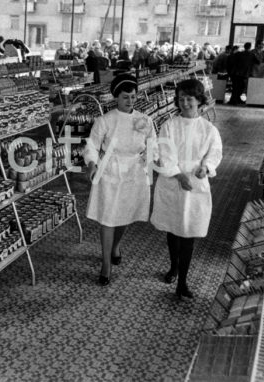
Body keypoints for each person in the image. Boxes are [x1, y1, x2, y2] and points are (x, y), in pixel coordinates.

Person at [151, 79, 223, 299]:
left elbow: (215, 153)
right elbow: (164, 154)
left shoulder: (208, 129)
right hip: (173, 180)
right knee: (174, 228)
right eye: (181, 99)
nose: (185, 103)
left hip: (195, 185)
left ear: (199, 100)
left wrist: (206, 167)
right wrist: (178, 174)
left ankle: (182, 282)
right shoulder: (169, 125)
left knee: (189, 231)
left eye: (189, 99)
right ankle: (174, 266)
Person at [84, 74, 156, 286]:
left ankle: (116, 246)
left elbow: (153, 143)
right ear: (116, 97)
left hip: (134, 170)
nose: (130, 101)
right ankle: (106, 264)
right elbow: (92, 146)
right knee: (108, 216)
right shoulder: (105, 120)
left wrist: (148, 156)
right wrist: (91, 164)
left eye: (133, 97)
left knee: (124, 214)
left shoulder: (145, 120)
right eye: (126, 97)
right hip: (110, 170)